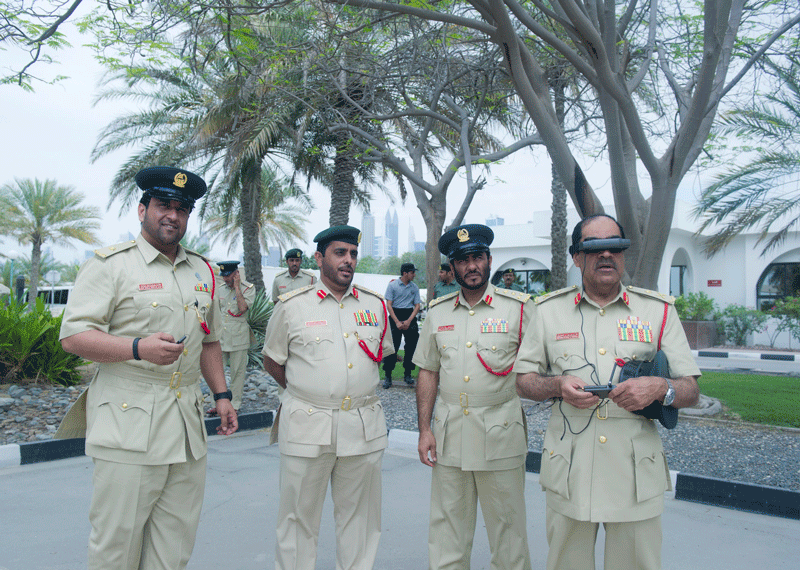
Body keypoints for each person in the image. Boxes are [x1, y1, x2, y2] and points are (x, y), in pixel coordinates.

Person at [55, 166, 238, 570]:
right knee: (116, 547)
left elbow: (209, 339)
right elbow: (73, 338)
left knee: (173, 548)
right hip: (128, 424)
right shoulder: (110, 266)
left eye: (182, 209)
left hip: (186, 427)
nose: (172, 215)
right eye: (163, 205)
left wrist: (222, 395)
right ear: (142, 210)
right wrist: (137, 348)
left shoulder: (202, 271)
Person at [514, 214, 701, 570]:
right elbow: (524, 380)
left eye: (614, 247)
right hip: (571, 471)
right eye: (594, 248)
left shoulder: (657, 311)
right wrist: (556, 385)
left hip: (634, 474)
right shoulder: (548, 311)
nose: (606, 256)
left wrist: (661, 387)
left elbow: (691, 389)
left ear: (623, 254)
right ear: (576, 257)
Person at [262, 225, 394, 570]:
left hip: (362, 427)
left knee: (360, 523)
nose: (348, 260)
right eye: (340, 253)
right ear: (319, 258)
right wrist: (309, 390)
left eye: (352, 254)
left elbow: (383, 356)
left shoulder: (376, 306)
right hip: (307, 423)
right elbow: (273, 361)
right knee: (296, 522)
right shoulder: (292, 306)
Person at [413, 224, 533, 570]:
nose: (472, 266)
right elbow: (427, 371)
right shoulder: (437, 312)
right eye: (463, 260)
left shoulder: (520, 309)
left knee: (508, 532)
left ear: (489, 260)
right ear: (453, 267)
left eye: (477, 257)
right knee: (447, 532)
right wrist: (424, 429)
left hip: (501, 433)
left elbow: (539, 368)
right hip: (449, 434)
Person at [213, 260, 256, 413]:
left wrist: (237, 287)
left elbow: (243, 308)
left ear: (236, 274)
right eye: (223, 276)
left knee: (237, 373)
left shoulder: (248, 289)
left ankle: (235, 404)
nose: (225, 279)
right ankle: (219, 403)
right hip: (221, 337)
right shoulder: (220, 289)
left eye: (228, 276)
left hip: (238, 337)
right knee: (217, 372)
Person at [382, 262, 422, 388]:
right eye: (412, 272)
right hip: (395, 314)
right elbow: (389, 304)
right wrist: (397, 322)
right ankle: (388, 375)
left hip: (409, 316)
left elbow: (417, 305)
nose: (414, 275)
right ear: (405, 273)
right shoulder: (393, 285)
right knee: (392, 347)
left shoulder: (414, 287)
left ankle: (408, 373)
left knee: (411, 347)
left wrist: (409, 320)